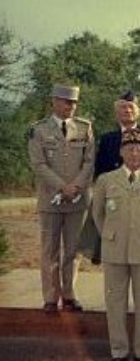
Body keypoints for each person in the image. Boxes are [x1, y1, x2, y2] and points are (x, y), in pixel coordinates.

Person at [92, 128, 140, 361]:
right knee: (115, 303)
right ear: (121, 151)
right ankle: (119, 353)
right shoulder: (105, 180)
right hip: (115, 250)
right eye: (130, 148)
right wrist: (110, 235)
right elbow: (98, 214)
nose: (135, 153)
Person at [27, 84, 94, 313]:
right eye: (66, 102)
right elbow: (38, 164)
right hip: (50, 198)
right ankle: (50, 297)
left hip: (77, 199)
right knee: (50, 250)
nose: (71, 106)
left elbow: (89, 162)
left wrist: (75, 186)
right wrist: (61, 186)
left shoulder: (85, 128)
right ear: (54, 102)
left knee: (73, 250)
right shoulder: (39, 130)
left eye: (74, 103)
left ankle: (69, 295)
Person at [95, 91, 140, 177]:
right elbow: (100, 169)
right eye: (123, 107)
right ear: (117, 112)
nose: (127, 110)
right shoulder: (107, 140)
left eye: (131, 107)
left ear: (138, 112)